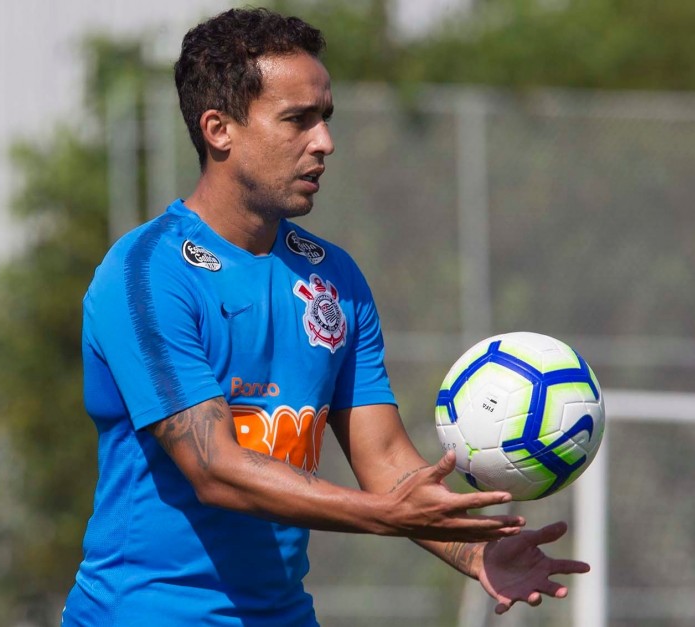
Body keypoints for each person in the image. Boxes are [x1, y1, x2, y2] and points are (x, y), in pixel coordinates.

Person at [62, 7, 589, 626]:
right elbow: (213, 468)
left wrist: (475, 550)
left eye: (326, 119)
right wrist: (385, 517)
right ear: (219, 129)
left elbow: (385, 458)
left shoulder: (333, 279)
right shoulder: (147, 273)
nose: (324, 142)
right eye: (297, 120)